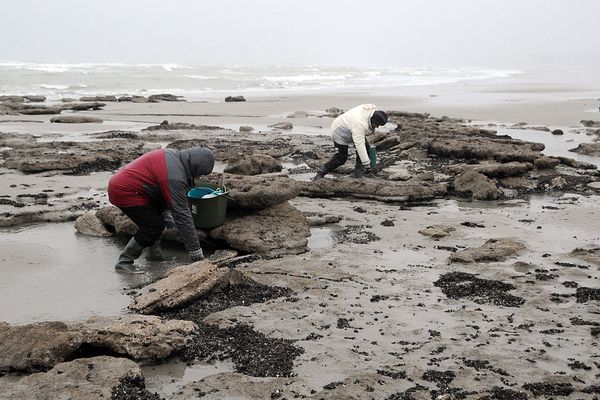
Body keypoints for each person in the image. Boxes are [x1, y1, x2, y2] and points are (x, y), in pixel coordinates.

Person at [108, 146, 214, 274]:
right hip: (125, 191)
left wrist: (166, 210)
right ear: (195, 166)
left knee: (157, 219)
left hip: (138, 188)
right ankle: (124, 261)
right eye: (199, 173)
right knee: (152, 227)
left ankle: (154, 256)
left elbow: (161, 185)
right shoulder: (175, 175)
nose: (198, 176)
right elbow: (182, 215)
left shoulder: (174, 155)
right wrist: (195, 250)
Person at [314, 104, 388, 180]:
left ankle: (358, 174)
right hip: (339, 131)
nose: (377, 127)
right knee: (341, 158)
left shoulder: (372, 111)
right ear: (372, 120)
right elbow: (359, 145)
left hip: (351, 127)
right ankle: (321, 173)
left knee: (366, 149)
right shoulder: (360, 124)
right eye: (377, 125)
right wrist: (367, 166)